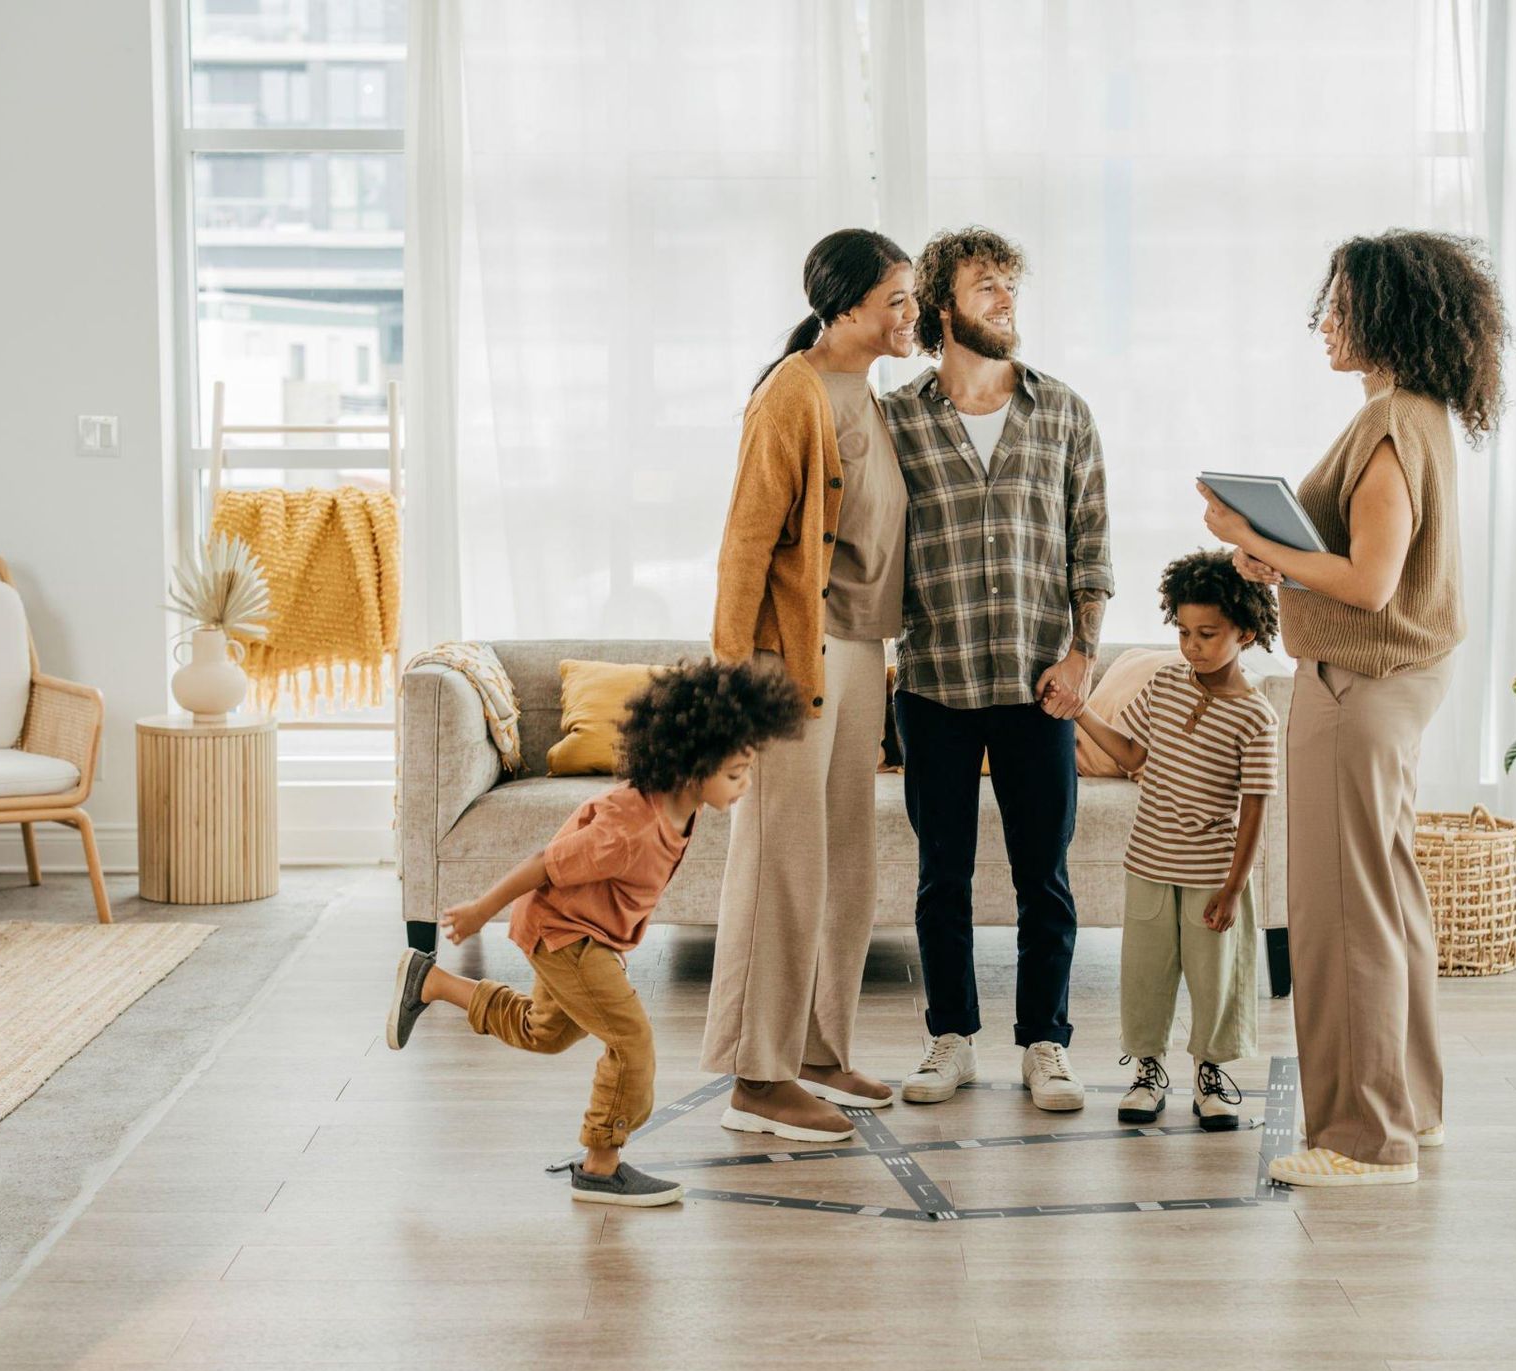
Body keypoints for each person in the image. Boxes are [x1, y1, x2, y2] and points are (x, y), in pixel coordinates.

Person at [1198, 228, 1507, 1188]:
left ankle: (1365, 1139)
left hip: (1359, 683)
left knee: (1343, 915)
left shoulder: (1387, 427)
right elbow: (1370, 568)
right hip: (1395, 680)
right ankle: (1409, 1106)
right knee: (1388, 899)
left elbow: (1369, 585)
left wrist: (1249, 536)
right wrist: (1276, 559)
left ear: (1383, 315)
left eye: (1338, 304)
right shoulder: (1416, 415)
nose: (1323, 321)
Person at [384, 660, 803, 1206]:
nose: (744, 785)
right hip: (564, 936)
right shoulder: (628, 827)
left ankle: (431, 982)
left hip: (581, 935)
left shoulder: (681, 808)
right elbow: (545, 863)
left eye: (746, 770)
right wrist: (480, 910)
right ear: (690, 766)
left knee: (546, 1032)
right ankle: (601, 1166)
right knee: (632, 1043)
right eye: (734, 773)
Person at [881, 227, 1114, 1112]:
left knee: (1042, 876)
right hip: (934, 682)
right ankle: (951, 1039)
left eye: (1010, 286)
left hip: (1037, 686)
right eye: (987, 287)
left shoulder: (1063, 412)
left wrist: (1083, 653)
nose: (1007, 301)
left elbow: (1089, 547)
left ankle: (1046, 1044)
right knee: (942, 874)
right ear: (944, 306)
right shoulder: (895, 419)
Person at [703, 229, 918, 1142]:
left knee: (843, 857)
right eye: (899, 300)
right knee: (782, 859)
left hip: (863, 649)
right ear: (849, 308)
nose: (913, 315)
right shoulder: (789, 395)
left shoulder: (867, 393)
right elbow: (745, 547)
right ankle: (758, 1076)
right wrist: (730, 697)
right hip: (795, 655)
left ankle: (820, 1048)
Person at [1055, 550, 1280, 1131]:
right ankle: (1147, 1069)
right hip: (1149, 864)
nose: (1192, 645)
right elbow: (1131, 754)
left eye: (1207, 634)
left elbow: (1255, 809)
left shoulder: (1256, 717)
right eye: (1183, 632)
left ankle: (1213, 1071)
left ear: (1245, 632)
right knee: (1146, 974)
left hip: (1212, 874)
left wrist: (1234, 888)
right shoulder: (1164, 684)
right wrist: (1080, 712)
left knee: (1216, 981)